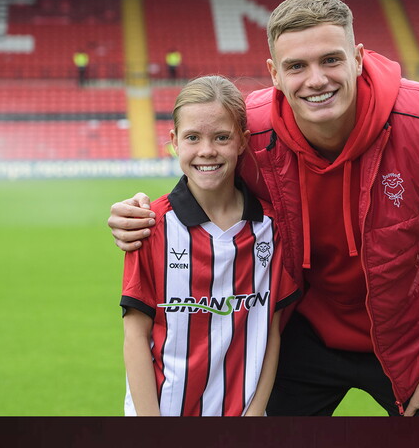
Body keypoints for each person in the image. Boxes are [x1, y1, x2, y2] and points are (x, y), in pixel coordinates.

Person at [110, 0, 419, 417]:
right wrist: (138, 214)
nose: (316, 80)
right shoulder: (253, 134)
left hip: (409, 336)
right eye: (297, 66)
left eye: (330, 60)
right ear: (275, 74)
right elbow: (204, 180)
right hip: (298, 334)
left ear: (358, 58)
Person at [121, 75, 300, 416]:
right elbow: (134, 336)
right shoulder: (150, 225)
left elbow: (270, 331)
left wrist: (255, 412)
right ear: (174, 141)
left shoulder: (270, 228)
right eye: (192, 137)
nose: (207, 150)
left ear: (242, 142)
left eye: (221, 137)